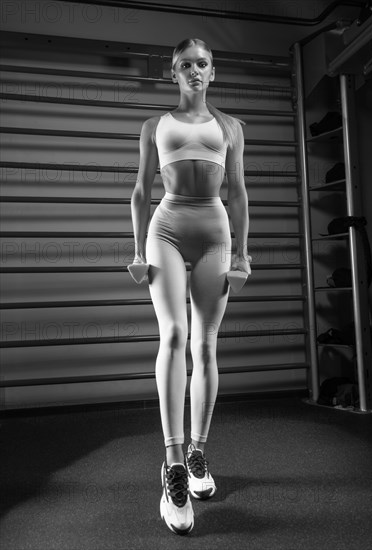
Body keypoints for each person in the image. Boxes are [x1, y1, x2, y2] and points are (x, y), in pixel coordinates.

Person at [130, 37, 251, 535]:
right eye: (185, 65)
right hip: (167, 228)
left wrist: (243, 253)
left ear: (213, 72)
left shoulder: (231, 128)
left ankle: (199, 451)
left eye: (202, 64)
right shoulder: (154, 125)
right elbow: (141, 191)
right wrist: (137, 250)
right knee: (175, 335)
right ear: (173, 74)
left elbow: (239, 193)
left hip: (215, 233)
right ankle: (174, 463)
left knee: (205, 343)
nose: (195, 71)